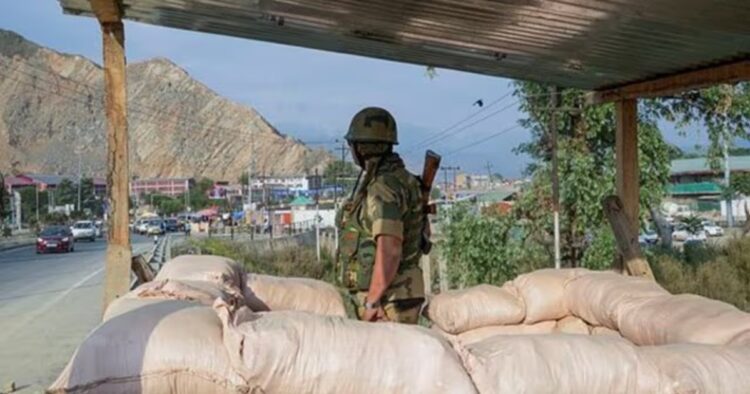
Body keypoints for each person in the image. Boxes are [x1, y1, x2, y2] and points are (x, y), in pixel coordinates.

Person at [337, 107, 426, 324]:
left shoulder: (383, 188)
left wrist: (372, 302)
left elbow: (390, 248)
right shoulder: (401, 180)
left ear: (360, 148)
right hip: (396, 295)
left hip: (389, 300)